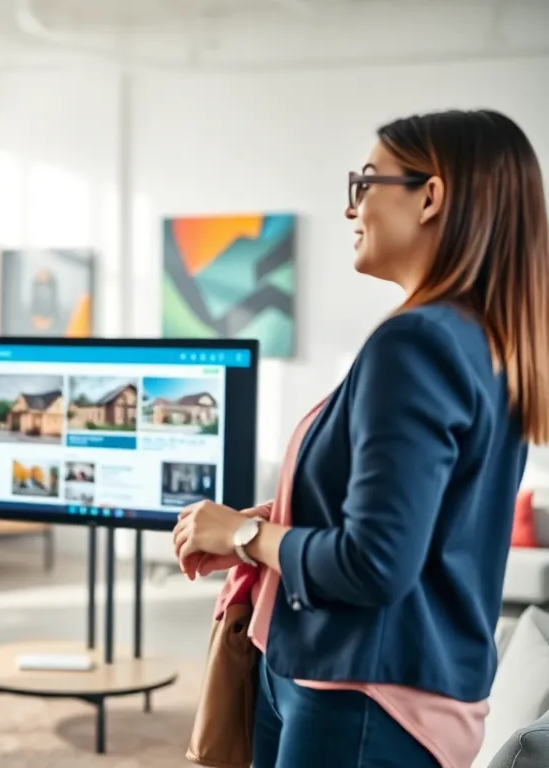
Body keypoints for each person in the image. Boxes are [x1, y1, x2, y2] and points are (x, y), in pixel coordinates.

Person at [174, 108, 549, 768]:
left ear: (430, 197)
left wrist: (242, 535)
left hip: (363, 698)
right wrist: (274, 519)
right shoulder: (485, 343)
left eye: (366, 182)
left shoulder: (416, 343)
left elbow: (374, 563)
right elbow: (422, 521)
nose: (352, 207)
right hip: (339, 677)